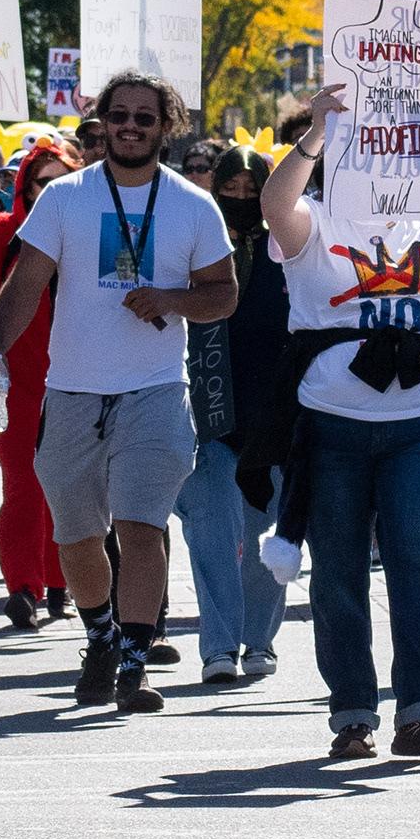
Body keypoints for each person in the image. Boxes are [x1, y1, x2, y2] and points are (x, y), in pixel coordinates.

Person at [0, 74, 238, 719]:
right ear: (101, 124)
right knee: (75, 533)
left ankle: (132, 659)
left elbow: (224, 294)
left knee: (141, 526)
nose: (130, 126)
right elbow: (24, 284)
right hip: (71, 390)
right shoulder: (65, 197)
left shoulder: (193, 205)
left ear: (164, 126)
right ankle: (98, 635)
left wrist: (171, 299)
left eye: (144, 117)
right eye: (119, 116)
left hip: (155, 388)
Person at [254, 87, 420, 757]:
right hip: (330, 426)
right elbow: (272, 206)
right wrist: (316, 134)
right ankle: (351, 715)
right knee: (339, 573)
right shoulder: (314, 221)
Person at [174, 142, 288, 683]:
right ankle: (218, 647)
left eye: (252, 190)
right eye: (230, 189)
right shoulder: (191, 243)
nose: (240, 199)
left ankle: (259, 641)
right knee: (211, 536)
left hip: (273, 420)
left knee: (266, 542)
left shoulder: (288, 249)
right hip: (207, 413)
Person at [0, 141, 78, 631]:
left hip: (77, 379)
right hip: (12, 384)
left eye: (61, 182)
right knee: (22, 485)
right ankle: (23, 589)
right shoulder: (1, 232)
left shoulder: (91, 233)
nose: (50, 192)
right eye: (40, 182)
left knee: (67, 487)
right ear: (24, 188)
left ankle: (60, 582)